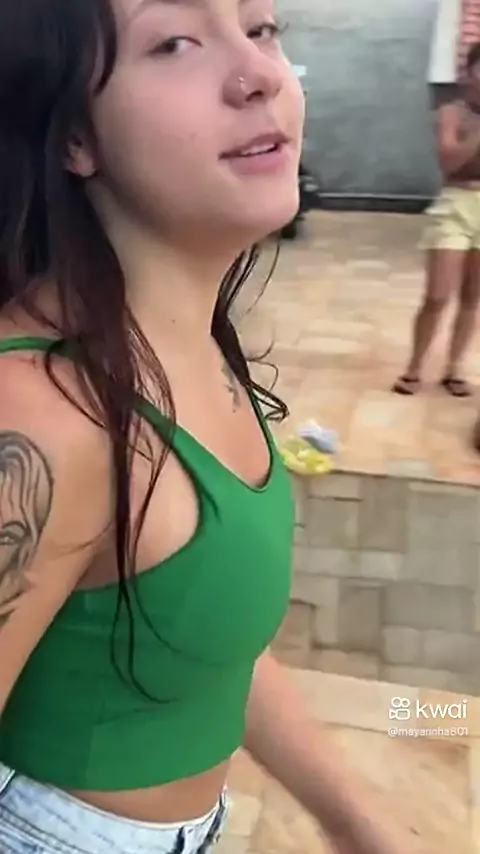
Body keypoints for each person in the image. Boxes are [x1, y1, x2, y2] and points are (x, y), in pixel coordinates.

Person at [0, 2, 416, 853]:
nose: (260, 75)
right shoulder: (42, 415)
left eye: (261, 29)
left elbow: (200, 642)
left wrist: (362, 826)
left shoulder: (184, 339)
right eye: (174, 43)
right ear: (75, 135)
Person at [393, 42, 480, 397]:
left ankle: (454, 369)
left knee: (472, 298)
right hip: (455, 204)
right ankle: (414, 368)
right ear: (469, 73)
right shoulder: (452, 113)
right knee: (438, 295)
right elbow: (449, 161)